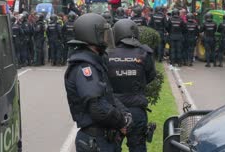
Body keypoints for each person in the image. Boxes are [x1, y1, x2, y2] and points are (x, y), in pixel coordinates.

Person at [64, 13, 132, 152]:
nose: (106, 38)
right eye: (102, 34)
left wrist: (125, 113)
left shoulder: (95, 61)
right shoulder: (84, 67)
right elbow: (97, 108)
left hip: (105, 138)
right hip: (96, 140)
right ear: (91, 36)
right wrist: (120, 121)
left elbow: (108, 95)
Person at [107, 19, 156, 152]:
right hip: (136, 109)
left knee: (111, 146)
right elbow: (150, 76)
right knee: (138, 147)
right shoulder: (144, 52)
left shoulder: (106, 54)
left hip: (113, 110)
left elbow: (102, 80)